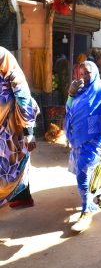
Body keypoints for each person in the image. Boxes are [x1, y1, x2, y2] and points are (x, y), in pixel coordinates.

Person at [64, 61, 101, 232]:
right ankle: (99, 197)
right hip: (78, 140)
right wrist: (71, 96)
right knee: (87, 172)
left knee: (83, 173)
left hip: (94, 140)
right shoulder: (79, 91)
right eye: (82, 73)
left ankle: (86, 211)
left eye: (87, 73)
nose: (84, 77)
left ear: (95, 73)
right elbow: (69, 111)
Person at [0, 46, 39, 208]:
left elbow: (24, 98)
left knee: (15, 160)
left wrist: (29, 131)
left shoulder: (12, 71)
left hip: (12, 127)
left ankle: (22, 197)